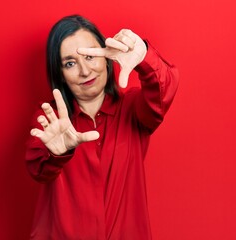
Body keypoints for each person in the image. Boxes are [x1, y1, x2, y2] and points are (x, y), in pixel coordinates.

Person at [25, 14, 179, 240]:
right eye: (70, 63)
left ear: (107, 56)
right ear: (60, 74)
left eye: (90, 56)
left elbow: (163, 91)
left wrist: (145, 58)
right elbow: (38, 168)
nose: (85, 71)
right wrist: (56, 153)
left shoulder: (132, 109)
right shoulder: (51, 119)